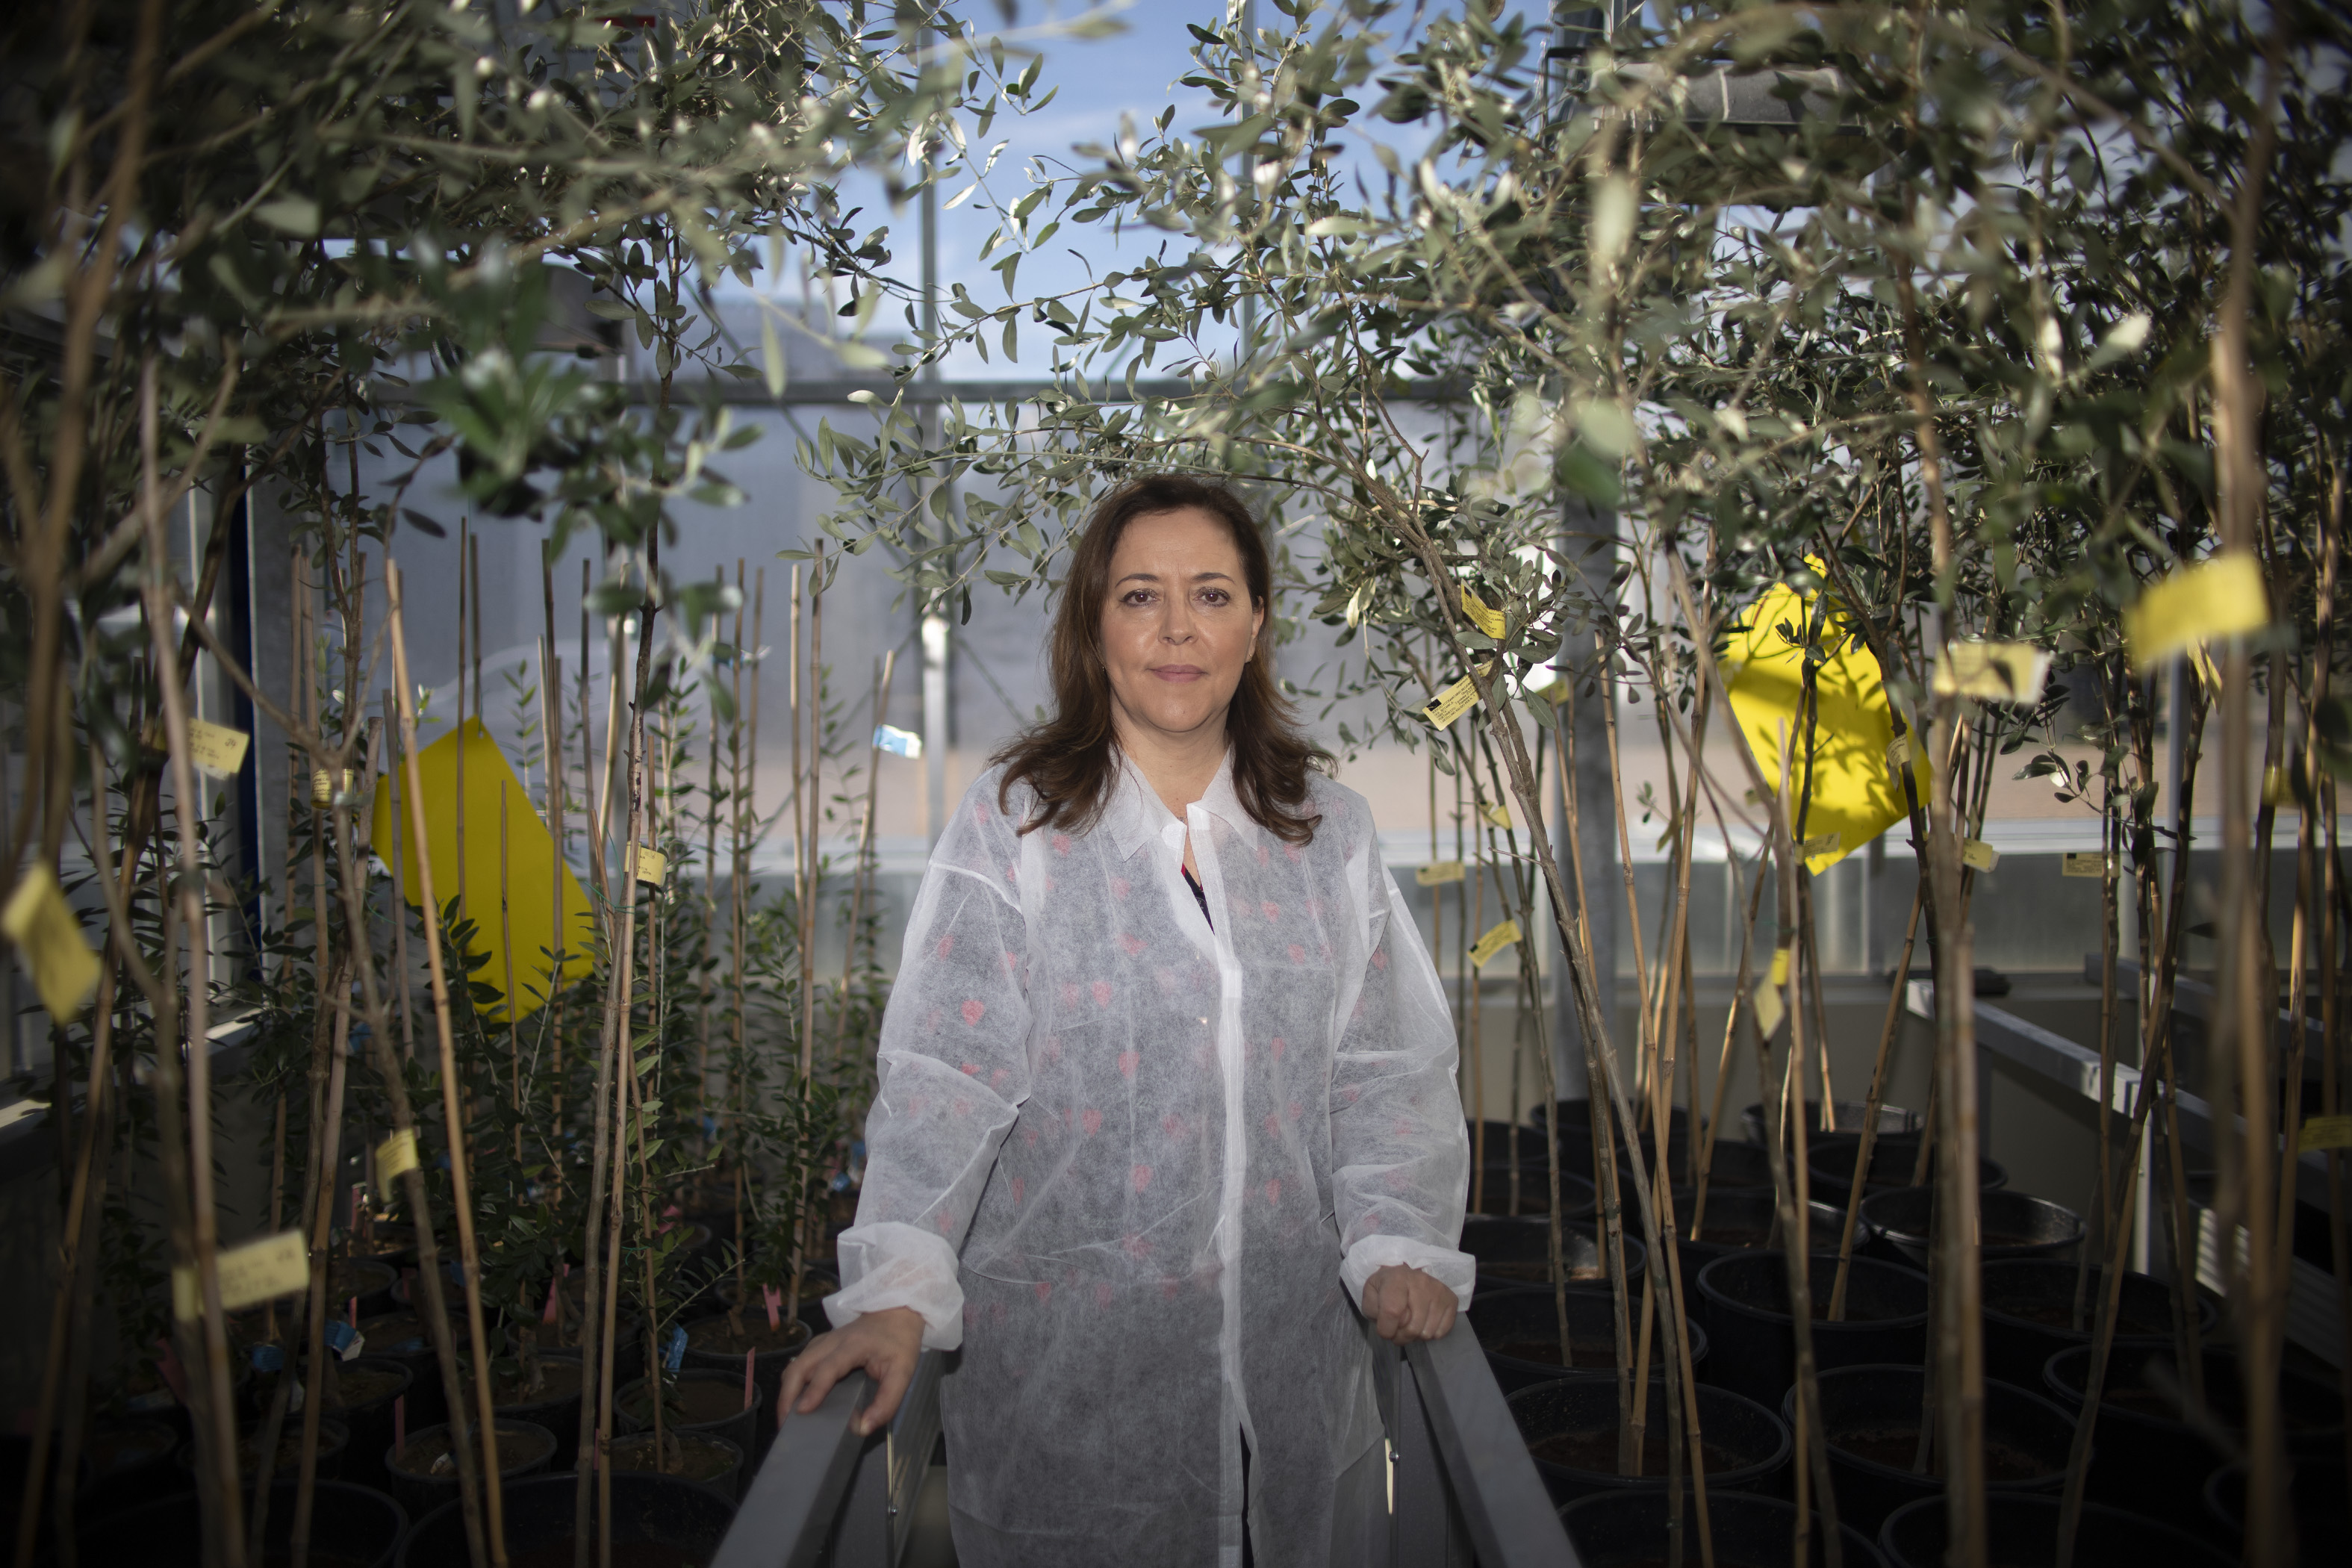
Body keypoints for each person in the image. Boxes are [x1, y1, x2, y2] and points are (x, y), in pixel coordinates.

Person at [780, 475, 1471, 1567]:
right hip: (1073, 1388)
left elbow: (1381, 1067)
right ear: (1092, 626)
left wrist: (1398, 1239)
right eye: (1140, 597)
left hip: (1291, 1369)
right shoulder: (1018, 827)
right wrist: (897, 1294)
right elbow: (943, 1082)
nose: (1177, 629)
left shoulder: (1325, 832)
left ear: (1256, 624)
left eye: (1210, 594)